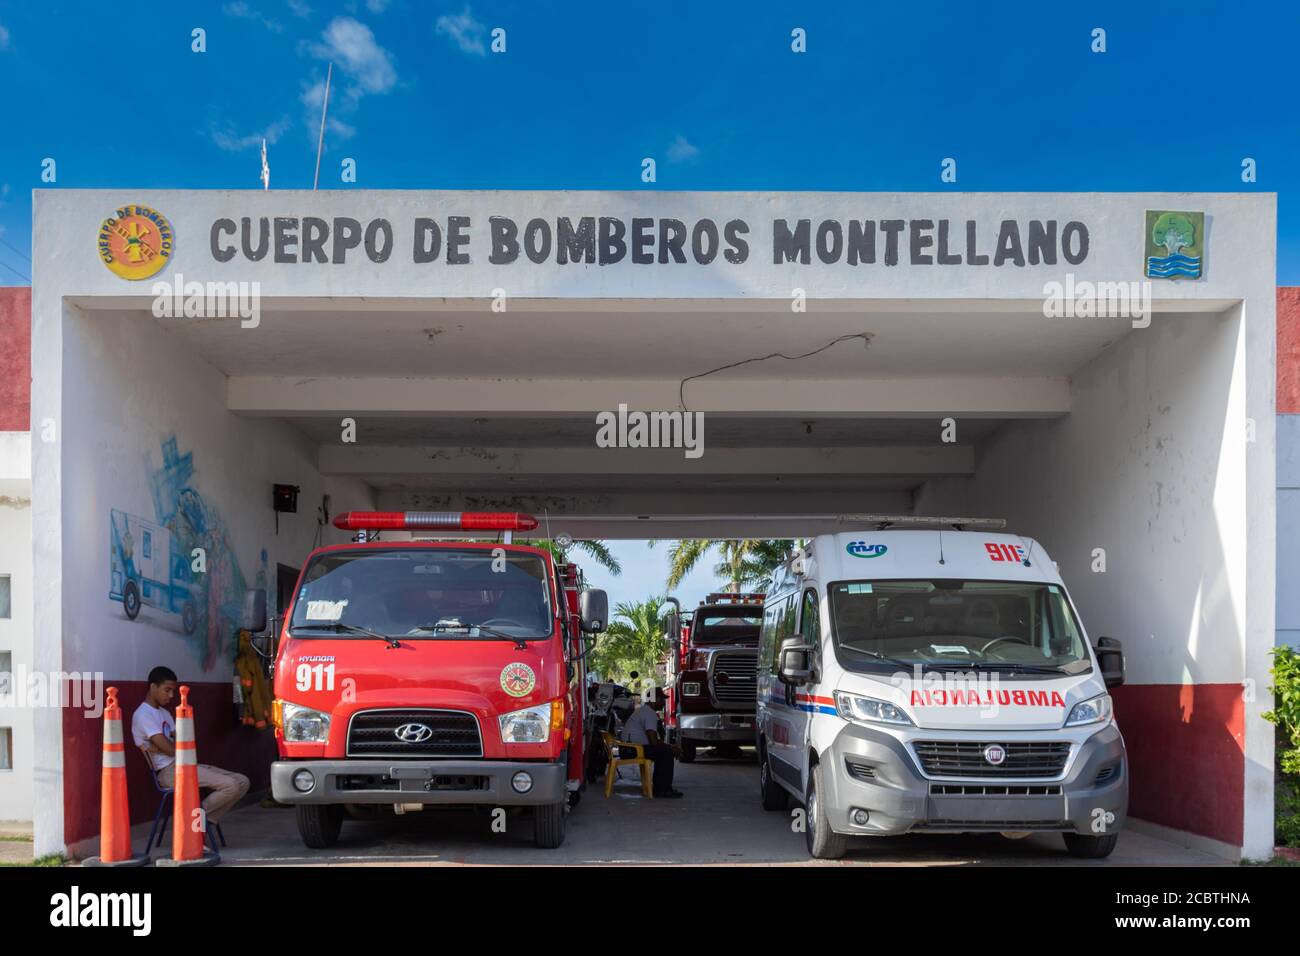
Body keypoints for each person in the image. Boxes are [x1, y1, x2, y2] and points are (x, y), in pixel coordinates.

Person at [131, 666, 251, 829]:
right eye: (167, 690)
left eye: (173, 691)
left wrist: (163, 746)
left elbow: (184, 742)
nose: (171, 696)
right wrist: (170, 746)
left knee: (242, 782)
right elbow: (172, 749)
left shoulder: (164, 713)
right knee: (231, 785)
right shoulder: (143, 714)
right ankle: (191, 823)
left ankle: (202, 822)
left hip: (184, 764)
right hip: (168, 772)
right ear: (153, 687)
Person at [619, 695, 683, 799]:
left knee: (664, 750)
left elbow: (653, 740)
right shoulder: (649, 713)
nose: (663, 702)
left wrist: (669, 746)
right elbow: (653, 741)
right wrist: (671, 748)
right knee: (666, 752)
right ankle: (662, 791)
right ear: (654, 700)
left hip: (627, 749)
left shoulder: (643, 710)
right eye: (662, 699)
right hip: (631, 750)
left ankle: (661, 788)